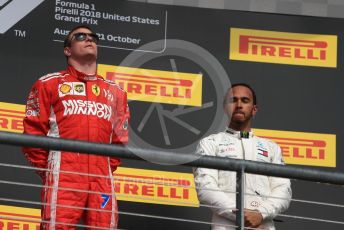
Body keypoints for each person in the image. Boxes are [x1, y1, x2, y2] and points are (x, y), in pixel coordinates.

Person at [23, 25, 130, 229]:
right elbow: (32, 134)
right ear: (67, 50)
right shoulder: (48, 83)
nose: (88, 39)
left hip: (102, 179)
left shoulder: (116, 92)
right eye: (80, 36)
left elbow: (120, 141)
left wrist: (105, 167)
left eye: (93, 37)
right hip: (64, 174)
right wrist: (50, 170)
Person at [193, 83, 291, 230]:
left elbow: (283, 189)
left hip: (263, 225)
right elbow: (205, 187)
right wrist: (242, 218)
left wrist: (260, 214)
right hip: (225, 225)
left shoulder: (271, 148)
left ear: (254, 109)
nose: (239, 105)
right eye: (233, 100)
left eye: (245, 101)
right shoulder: (210, 143)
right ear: (225, 107)